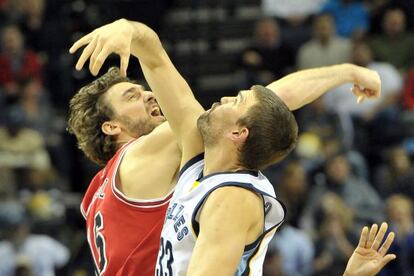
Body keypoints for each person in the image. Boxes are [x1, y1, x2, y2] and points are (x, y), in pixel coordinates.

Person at [69, 19, 381, 275]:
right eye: (132, 97)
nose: (150, 95)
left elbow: (261, 108)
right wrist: (131, 30)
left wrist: (346, 73)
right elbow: (266, 103)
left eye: (143, 90)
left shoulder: (97, 195)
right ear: (111, 128)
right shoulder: (144, 154)